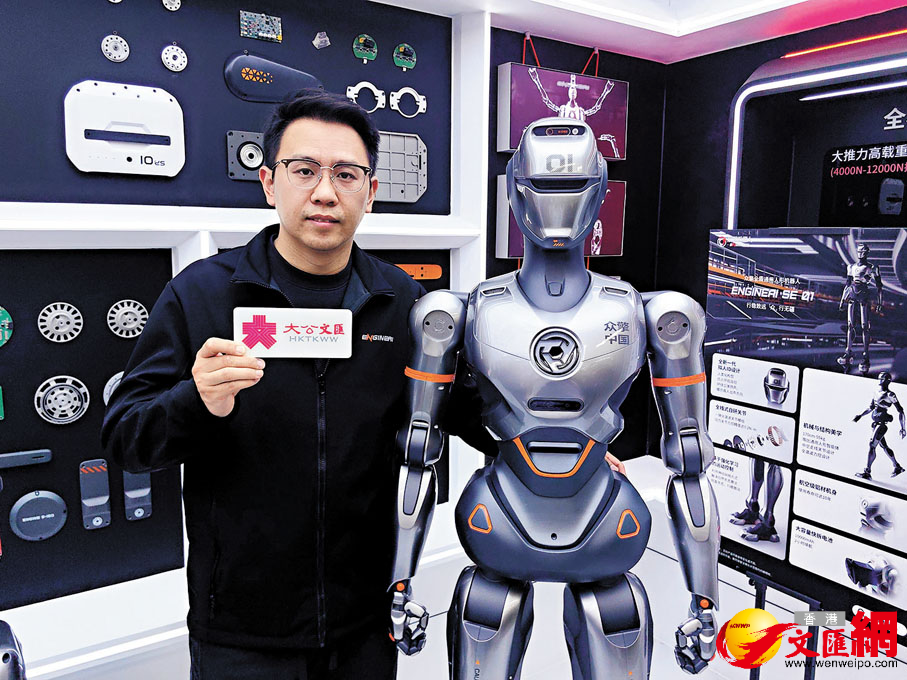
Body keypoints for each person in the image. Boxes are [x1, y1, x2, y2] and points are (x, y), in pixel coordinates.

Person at [101, 88, 492, 680]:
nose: (325, 192)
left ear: (370, 192)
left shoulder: (401, 301)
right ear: (269, 182)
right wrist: (196, 401)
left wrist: (559, 448)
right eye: (304, 170)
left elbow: (463, 409)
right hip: (240, 630)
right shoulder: (201, 295)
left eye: (346, 174)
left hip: (365, 620)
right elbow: (126, 439)